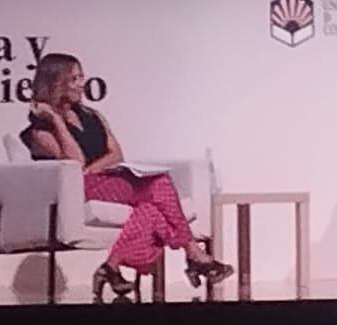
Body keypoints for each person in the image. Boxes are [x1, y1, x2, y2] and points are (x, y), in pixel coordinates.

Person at [19, 53, 228, 303]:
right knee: (159, 182)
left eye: (81, 77)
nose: (80, 83)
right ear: (55, 82)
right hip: (78, 191)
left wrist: (93, 168)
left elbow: (116, 153)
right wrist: (56, 120)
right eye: (73, 78)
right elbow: (74, 165)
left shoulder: (91, 115)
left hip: (103, 179)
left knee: (150, 209)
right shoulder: (40, 131)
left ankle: (111, 266)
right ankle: (193, 253)